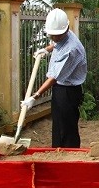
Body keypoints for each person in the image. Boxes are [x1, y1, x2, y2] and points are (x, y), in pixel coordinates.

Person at [22, 8, 87, 148]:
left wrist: (35, 96)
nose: (54, 38)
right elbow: (57, 43)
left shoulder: (72, 50)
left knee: (67, 129)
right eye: (52, 35)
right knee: (58, 126)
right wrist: (47, 49)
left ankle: (69, 157)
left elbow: (53, 77)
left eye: (57, 35)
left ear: (66, 28)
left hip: (68, 92)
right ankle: (56, 153)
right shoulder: (63, 35)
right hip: (60, 89)